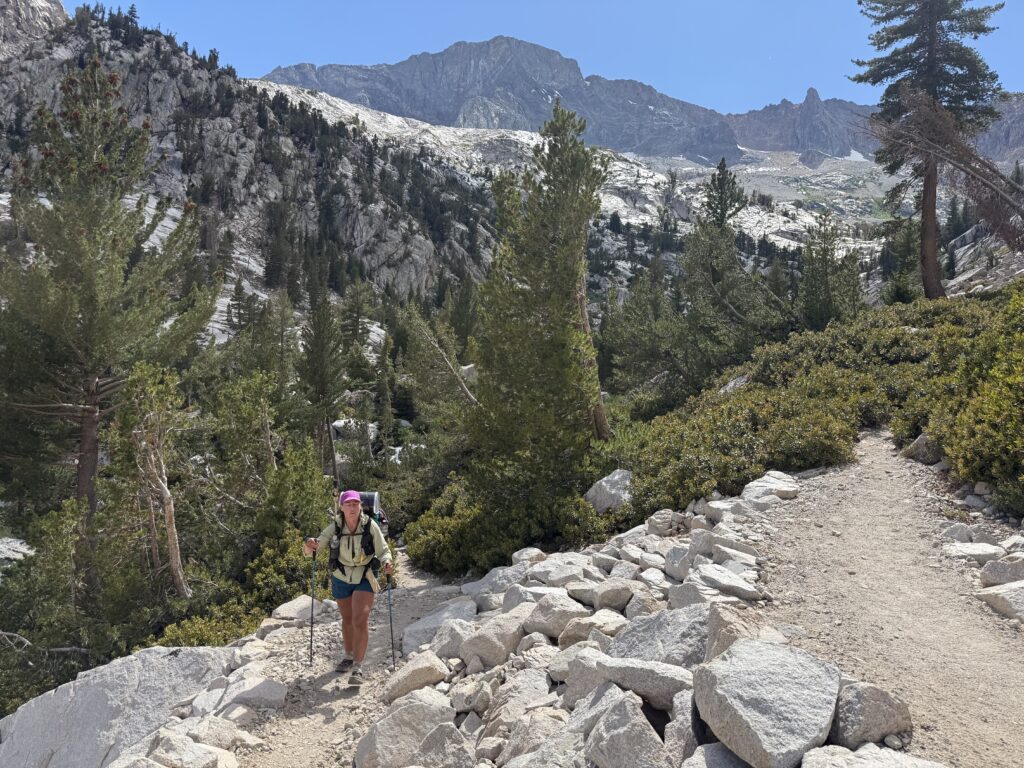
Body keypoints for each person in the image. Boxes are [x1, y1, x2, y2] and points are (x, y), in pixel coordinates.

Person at [303, 489, 393, 684]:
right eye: (348, 504)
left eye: (355, 504)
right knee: (347, 618)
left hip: (365, 575)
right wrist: (310, 545)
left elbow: (383, 550)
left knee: (360, 619)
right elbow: (317, 546)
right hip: (341, 576)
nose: (352, 508)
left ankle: (358, 668)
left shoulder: (370, 525)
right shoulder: (334, 527)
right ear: (341, 508)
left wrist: (387, 562)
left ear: (360, 506)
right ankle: (348, 655)